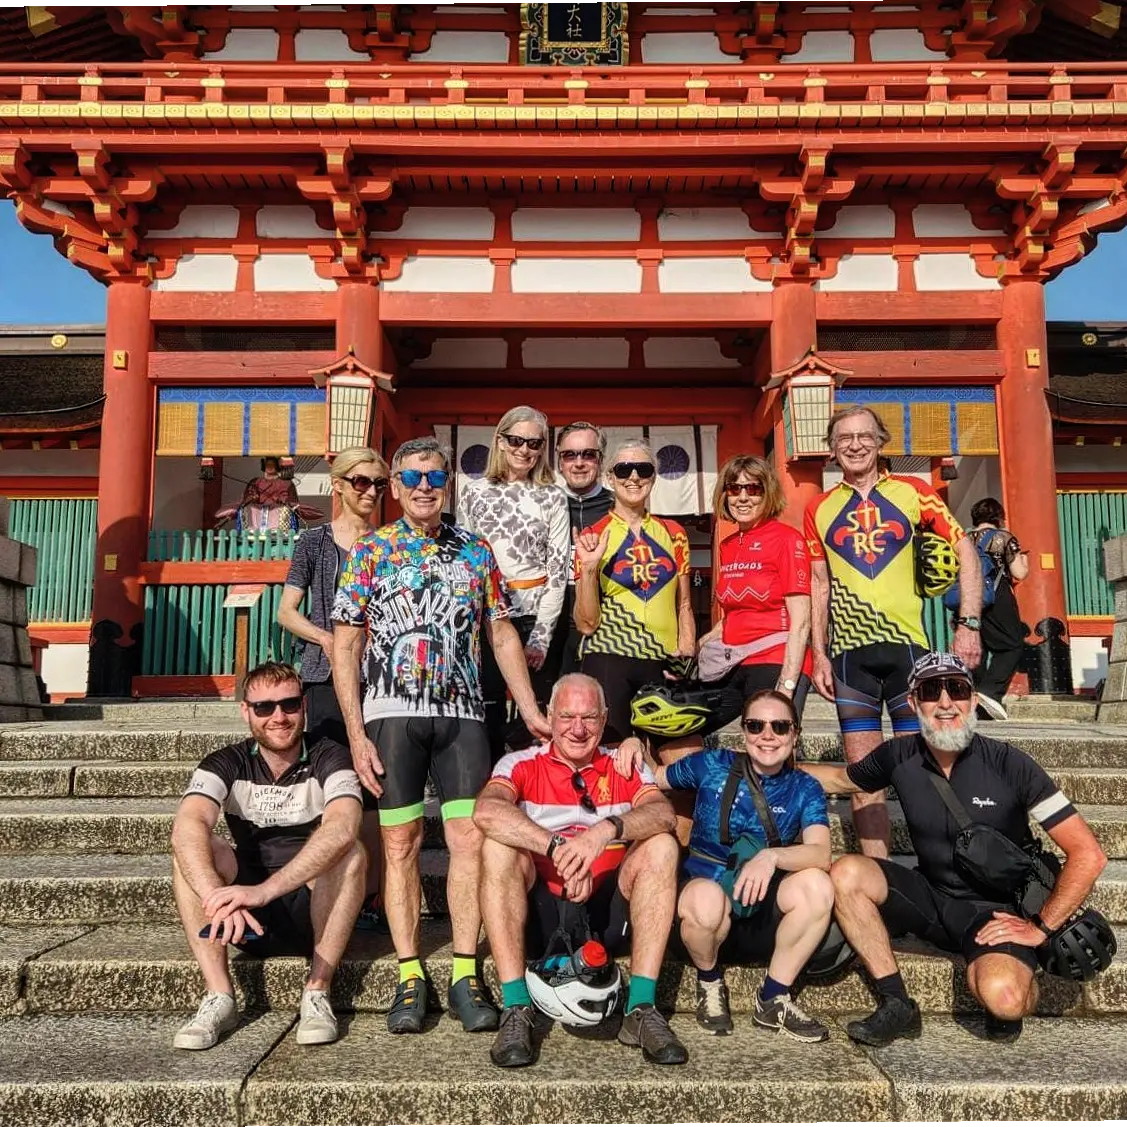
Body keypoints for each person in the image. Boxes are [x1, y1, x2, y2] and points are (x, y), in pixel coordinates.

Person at [331, 436, 551, 1036]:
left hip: (462, 715)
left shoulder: (474, 550)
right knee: (399, 844)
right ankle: (408, 975)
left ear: (447, 483)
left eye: (435, 477)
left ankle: (461, 970)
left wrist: (529, 708)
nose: (424, 487)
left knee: (469, 842)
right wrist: (355, 732)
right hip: (391, 714)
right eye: (413, 477)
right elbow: (346, 644)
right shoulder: (371, 551)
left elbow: (501, 633)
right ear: (395, 486)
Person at [800, 651, 1108, 1046]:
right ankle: (896, 1003)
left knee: (1007, 999)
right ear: (913, 703)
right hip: (930, 898)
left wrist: (1039, 928)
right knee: (846, 872)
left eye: (957, 689)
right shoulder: (900, 754)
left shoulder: (1011, 765)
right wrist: (757, 762)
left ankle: (1009, 971)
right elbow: (841, 780)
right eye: (931, 691)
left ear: (973, 699)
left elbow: (1088, 854)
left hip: (995, 912)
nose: (945, 702)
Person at [474, 673, 686, 1069]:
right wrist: (556, 847)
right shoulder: (520, 762)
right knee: (496, 847)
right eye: (567, 716)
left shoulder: (623, 765)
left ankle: (640, 1008)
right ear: (549, 717)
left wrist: (603, 832)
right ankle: (516, 1007)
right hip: (542, 907)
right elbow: (485, 811)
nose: (577, 728)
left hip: (607, 909)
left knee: (661, 846)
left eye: (589, 718)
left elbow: (662, 814)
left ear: (605, 720)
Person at [805, 405, 983, 858]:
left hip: (909, 651)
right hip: (848, 657)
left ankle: (943, 874)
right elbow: (819, 584)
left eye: (865, 436)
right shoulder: (818, 508)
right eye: (844, 438)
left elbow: (966, 552)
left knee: (924, 771)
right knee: (864, 777)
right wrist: (819, 654)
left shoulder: (914, 492)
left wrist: (968, 625)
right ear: (831, 448)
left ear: (882, 441)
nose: (855, 444)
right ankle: (879, 879)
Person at [170, 661, 365, 1050]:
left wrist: (264, 891)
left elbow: (343, 826)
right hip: (240, 919)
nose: (278, 716)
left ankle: (316, 991)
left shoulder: (331, 756)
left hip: (313, 911)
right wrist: (217, 895)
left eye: (289, 705)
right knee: (192, 849)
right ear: (246, 711)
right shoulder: (225, 762)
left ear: (304, 706)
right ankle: (220, 996)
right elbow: (187, 825)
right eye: (264, 707)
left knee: (351, 851)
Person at [622, 689, 833, 1041]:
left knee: (817, 886)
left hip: (762, 900)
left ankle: (773, 997)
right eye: (756, 725)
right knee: (704, 900)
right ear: (744, 732)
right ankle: (709, 980)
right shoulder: (713, 764)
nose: (768, 735)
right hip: (705, 901)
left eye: (779, 727)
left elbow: (820, 853)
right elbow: (656, 776)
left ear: (795, 734)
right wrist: (632, 743)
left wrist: (771, 856)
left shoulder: (804, 787)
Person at [278, 446, 388, 925]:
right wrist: (326, 636)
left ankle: (377, 897)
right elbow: (286, 610)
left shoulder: (389, 543)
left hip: (380, 678)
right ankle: (329, 883)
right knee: (332, 782)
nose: (369, 492)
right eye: (360, 482)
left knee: (380, 789)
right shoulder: (314, 542)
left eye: (378, 484)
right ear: (339, 485)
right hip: (323, 675)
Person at [459, 405, 570, 759]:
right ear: (500, 441)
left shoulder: (553, 495)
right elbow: (467, 560)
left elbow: (558, 567)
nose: (525, 450)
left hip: (537, 610)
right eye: (516, 440)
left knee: (537, 707)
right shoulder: (474, 491)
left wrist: (541, 635)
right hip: (488, 615)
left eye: (534, 444)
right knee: (487, 705)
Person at [574, 437, 695, 745]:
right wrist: (588, 569)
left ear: (654, 476)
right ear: (609, 477)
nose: (633, 477)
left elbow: (684, 605)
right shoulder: (593, 535)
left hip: (663, 657)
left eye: (643, 469)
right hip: (609, 654)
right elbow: (586, 623)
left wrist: (687, 654)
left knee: (672, 755)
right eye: (624, 469)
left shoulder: (674, 534)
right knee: (614, 754)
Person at [547, 421, 614, 679]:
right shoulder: (544, 504)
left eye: (588, 454)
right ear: (559, 461)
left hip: (604, 628)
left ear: (601, 459)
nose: (579, 463)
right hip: (549, 627)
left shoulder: (617, 506)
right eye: (569, 455)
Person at [967, 497, 1030, 721]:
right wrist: (1024, 560)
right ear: (998, 517)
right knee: (1012, 644)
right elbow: (1019, 573)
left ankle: (974, 700)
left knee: (976, 649)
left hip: (966, 598)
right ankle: (989, 692)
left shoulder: (963, 539)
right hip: (996, 597)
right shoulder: (1003, 538)